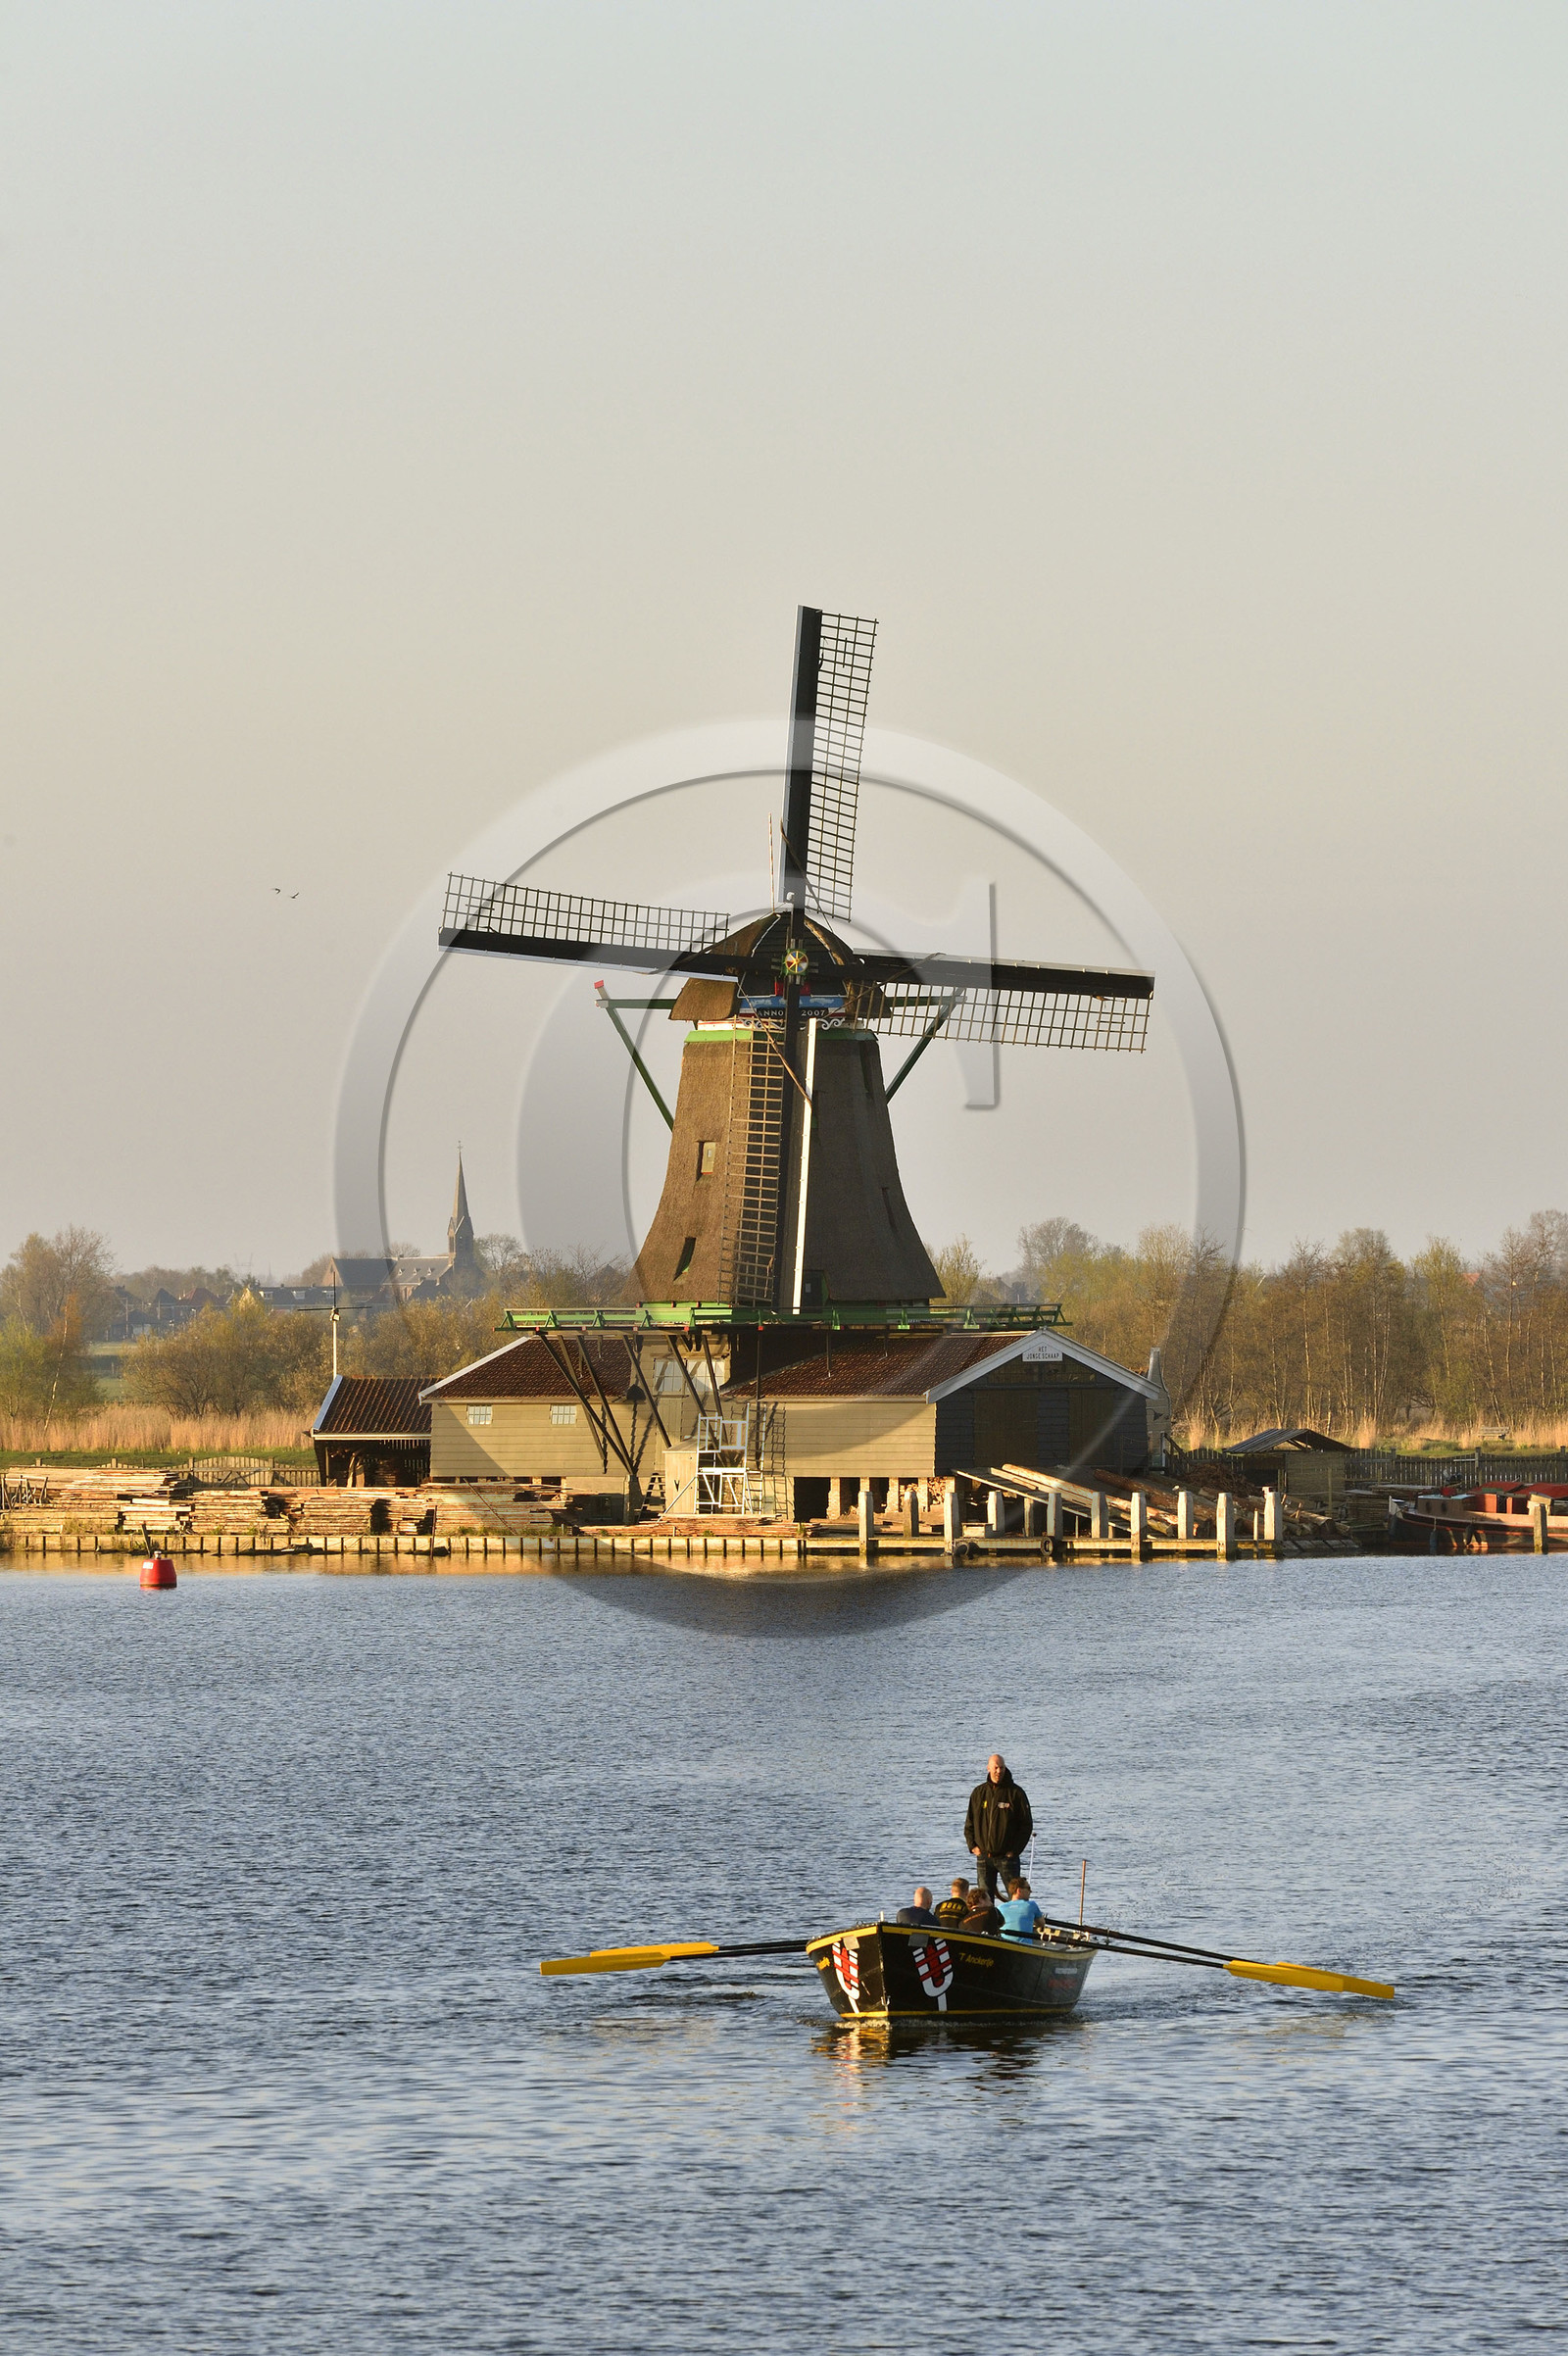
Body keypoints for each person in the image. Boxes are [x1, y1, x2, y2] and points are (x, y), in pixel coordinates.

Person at [964, 1753, 1034, 1898]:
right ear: (988, 1768)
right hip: (983, 1857)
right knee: (984, 1900)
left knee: (1015, 1897)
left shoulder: (1016, 1793)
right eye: (995, 1768)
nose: (998, 1771)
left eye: (1001, 1768)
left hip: (1007, 1858)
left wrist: (1015, 1851)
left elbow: (1026, 1826)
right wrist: (972, 1846)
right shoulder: (978, 1793)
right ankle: (990, 1921)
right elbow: (969, 1823)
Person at [997, 1876, 1046, 1942]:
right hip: (1025, 1947)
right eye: (1028, 1888)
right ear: (1019, 1890)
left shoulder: (1000, 1908)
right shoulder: (1031, 1905)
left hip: (1004, 1943)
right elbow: (1041, 1924)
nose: (1031, 1891)